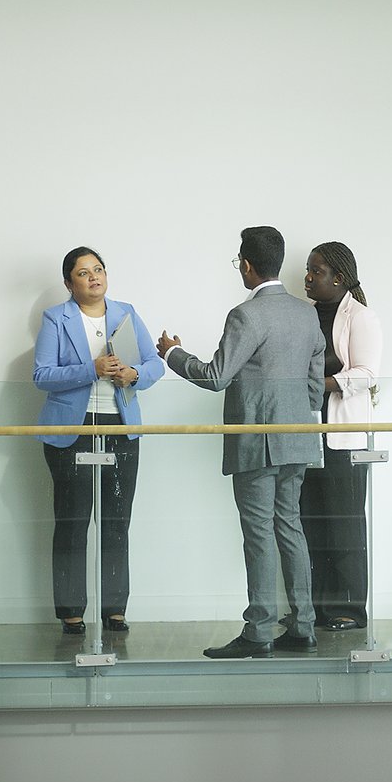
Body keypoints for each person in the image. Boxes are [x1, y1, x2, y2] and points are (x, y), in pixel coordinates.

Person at [158, 225, 326, 659]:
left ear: (247, 265)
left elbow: (216, 377)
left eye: (239, 263)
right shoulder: (306, 314)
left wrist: (172, 354)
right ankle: (303, 624)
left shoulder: (246, 315)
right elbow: (313, 385)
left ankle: (259, 631)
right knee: (290, 526)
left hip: (257, 442)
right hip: (299, 439)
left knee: (259, 535)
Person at [31, 247, 164, 635]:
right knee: (72, 522)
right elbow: (41, 375)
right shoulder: (56, 318)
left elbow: (154, 362)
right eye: (84, 272)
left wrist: (134, 374)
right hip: (71, 432)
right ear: (69, 283)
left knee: (116, 522)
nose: (94, 277)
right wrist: (91, 369)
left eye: (99, 270)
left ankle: (114, 609)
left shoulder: (126, 313)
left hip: (119, 425)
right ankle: (71, 612)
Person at [299, 241, 383, 632]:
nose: (308, 278)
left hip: (344, 437)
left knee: (345, 525)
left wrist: (324, 384)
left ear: (340, 278)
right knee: (312, 524)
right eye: (308, 270)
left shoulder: (360, 317)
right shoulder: (304, 316)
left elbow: (367, 374)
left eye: (317, 271)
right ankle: (317, 609)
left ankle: (349, 610)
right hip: (305, 434)